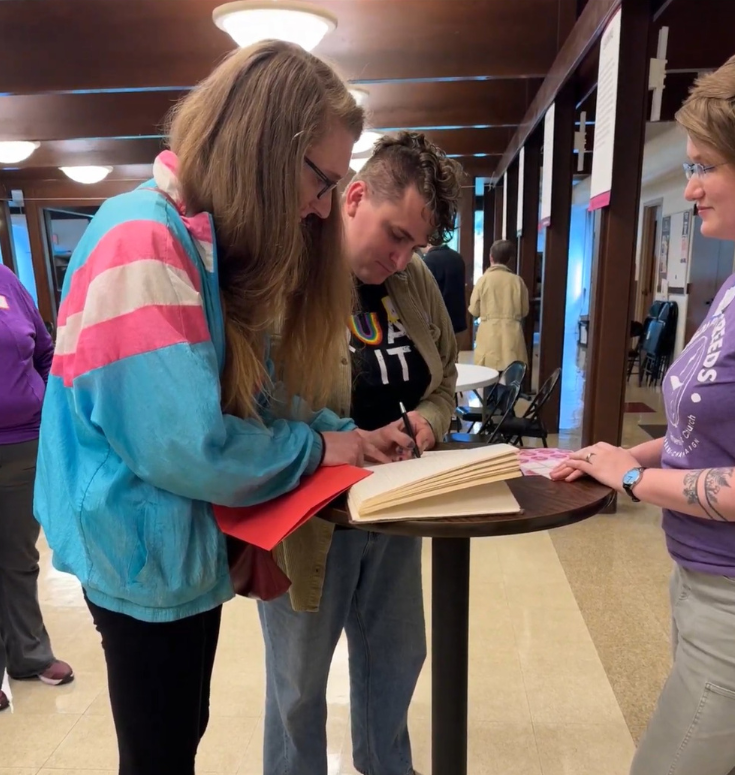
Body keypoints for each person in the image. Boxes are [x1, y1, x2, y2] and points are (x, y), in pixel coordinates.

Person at [33, 41, 398, 775]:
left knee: (179, 732)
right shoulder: (142, 239)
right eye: (321, 180)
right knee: (160, 749)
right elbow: (186, 444)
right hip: (141, 553)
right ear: (267, 148)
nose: (320, 207)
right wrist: (315, 449)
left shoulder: (197, 241)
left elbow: (250, 389)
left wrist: (339, 433)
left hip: (175, 548)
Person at [551, 43, 735, 775]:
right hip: (703, 584)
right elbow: (709, 432)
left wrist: (634, 481)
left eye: (705, 166)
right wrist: (619, 456)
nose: (692, 187)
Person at [259, 131, 462, 775]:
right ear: (352, 198)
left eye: (416, 246)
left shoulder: (415, 282)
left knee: (395, 662)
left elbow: (445, 383)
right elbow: (253, 402)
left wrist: (428, 423)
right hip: (309, 520)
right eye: (395, 236)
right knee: (298, 688)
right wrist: (342, 442)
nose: (403, 259)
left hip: (397, 510)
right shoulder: (285, 277)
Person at [0, 263, 73, 712]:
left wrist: (43, 403)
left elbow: (46, 353)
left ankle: (30, 656)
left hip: (23, 444)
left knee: (19, 557)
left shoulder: (5, 279)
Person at [469, 239, 529, 370]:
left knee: (489, 379)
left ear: (491, 257)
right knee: (510, 380)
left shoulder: (483, 280)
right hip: (512, 336)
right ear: (510, 259)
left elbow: (474, 310)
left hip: (488, 336)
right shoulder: (518, 281)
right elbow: (524, 311)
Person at [423, 242, 470, 350]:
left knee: (437, 363)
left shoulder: (429, 260)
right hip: (459, 322)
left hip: (439, 325)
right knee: (453, 362)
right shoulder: (457, 257)